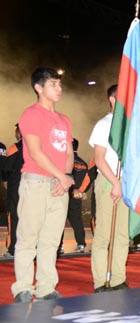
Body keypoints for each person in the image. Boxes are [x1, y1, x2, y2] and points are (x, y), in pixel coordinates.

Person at [11, 67, 74, 303]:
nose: (59, 88)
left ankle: (46, 287)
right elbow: (36, 153)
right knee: (28, 237)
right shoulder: (31, 114)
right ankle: (23, 288)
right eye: (53, 84)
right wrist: (62, 176)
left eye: (59, 84)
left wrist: (65, 177)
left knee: (51, 239)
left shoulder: (64, 119)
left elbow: (68, 152)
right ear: (39, 88)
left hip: (59, 184)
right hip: (36, 182)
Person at [88, 84, 129, 292]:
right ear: (112, 100)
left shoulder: (128, 127)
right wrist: (115, 182)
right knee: (104, 234)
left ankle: (118, 279)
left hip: (125, 184)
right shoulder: (104, 124)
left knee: (122, 235)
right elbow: (99, 159)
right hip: (108, 182)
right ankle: (100, 281)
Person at [62, 138, 90, 253]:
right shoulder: (83, 163)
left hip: (64, 193)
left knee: (59, 220)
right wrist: (79, 190)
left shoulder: (65, 160)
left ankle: (59, 246)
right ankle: (81, 244)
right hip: (76, 196)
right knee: (77, 221)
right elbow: (87, 180)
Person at [3, 124, 23, 258]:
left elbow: (6, 168)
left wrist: (4, 180)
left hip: (16, 188)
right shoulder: (38, 147)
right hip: (34, 188)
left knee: (14, 218)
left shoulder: (15, 148)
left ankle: (12, 249)